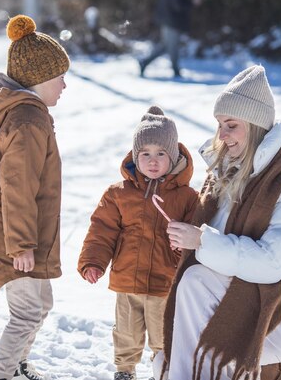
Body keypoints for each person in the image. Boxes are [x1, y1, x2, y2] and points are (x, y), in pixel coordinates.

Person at [158, 65, 281, 380]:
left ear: (256, 126)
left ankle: (270, 367)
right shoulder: (227, 176)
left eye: (231, 125)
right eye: (219, 125)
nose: (222, 135)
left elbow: (273, 263)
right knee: (191, 302)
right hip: (250, 299)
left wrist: (203, 241)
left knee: (197, 301)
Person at [0, 14, 70, 380]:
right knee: (27, 312)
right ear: (40, 78)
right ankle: (2, 375)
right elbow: (17, 187)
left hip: (24, 235)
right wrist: (21, 245)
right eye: (60, 77)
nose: (64, 85)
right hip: (17, 238)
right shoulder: (27, 120)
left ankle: (19, 366)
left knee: (41, 305)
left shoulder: (27, 113)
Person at [77, 106, 199, 380]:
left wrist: (184, 252)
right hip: (127, 280)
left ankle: (165, 369)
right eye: (145, 154)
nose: (152, 161)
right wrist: (93, 262)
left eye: (160, 154)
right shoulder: (119, 194)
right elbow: (102, 230)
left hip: (164, 282)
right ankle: (124, 369)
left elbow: (196, 236)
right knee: (126, 331)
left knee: (163, 332)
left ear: (174, 156)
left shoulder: (187, 197)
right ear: (135, 156)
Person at [138, 0, 200, 79]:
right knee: (173, 47)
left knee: (166, 46)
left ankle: (144, 62)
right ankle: (176, 71)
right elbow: (177, 5)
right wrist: (192, 3)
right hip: (172, 22)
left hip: (168, 21)